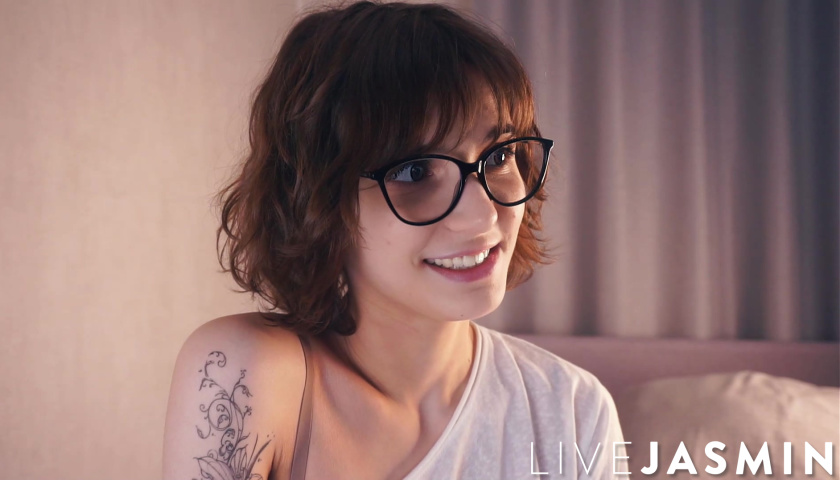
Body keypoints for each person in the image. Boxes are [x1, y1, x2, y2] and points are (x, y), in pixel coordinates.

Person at [163, 2, 626, 479]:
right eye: (415, 171)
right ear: (318, 203)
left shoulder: (572, 412)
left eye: (496, 158)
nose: (483, 214)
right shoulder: (243, 376)